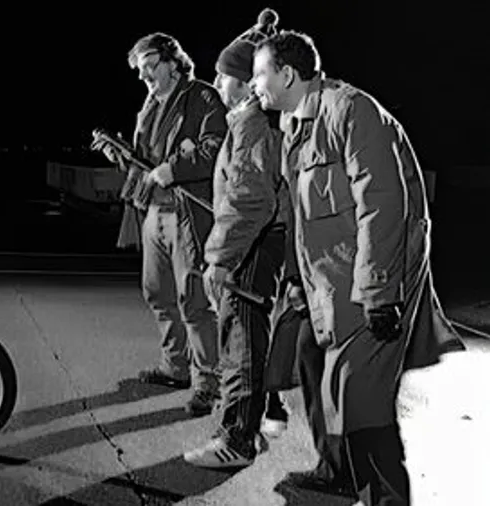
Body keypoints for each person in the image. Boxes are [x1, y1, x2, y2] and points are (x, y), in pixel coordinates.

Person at [251, 30, 466, 505]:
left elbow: (383, 204)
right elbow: (301, 215)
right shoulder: (293, 125)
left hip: (369, 284)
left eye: (259, 73)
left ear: (287, 74)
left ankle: (387, 498)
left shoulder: (352, 111)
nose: (253, 85)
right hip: (328, 283)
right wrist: (297, 278)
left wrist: (379, 293)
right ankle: (336, 471)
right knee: (310, 358)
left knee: (359, 397)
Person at [181, 8, 289, 467]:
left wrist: (219, 259)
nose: (216, 82)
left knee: (241, 339)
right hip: (257, 240)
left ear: (245, 84)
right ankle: (253, 424)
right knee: (247, 336)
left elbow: (249, 200)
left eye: (223, 75)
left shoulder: (252, 125)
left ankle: (237, 440)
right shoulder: (248, 121)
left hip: (253, 244)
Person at [103, 32, 227, 415]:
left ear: (173, 61)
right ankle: (175, 367)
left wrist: (174, 169)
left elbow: (216, 148)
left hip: (187, 213)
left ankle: (208, 382)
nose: (144, 77)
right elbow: (146, 163)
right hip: (154, 211)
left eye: (150, 67)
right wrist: (121, 155)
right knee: (157, 292)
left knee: (194, 299)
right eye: (139, 71)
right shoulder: (150, 106)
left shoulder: (203, 97)